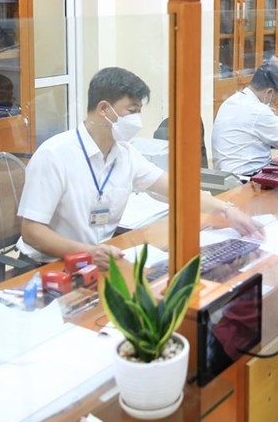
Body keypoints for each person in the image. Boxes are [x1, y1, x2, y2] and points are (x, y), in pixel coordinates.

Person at [17, 67, 261, 270]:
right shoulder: (54, 155)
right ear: (103, 109)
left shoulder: (125, 154)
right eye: (131, 111)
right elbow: (31, 231)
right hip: (50, 266)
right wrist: (89, 253)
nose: (137, 120)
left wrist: (227, 211)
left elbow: (177, 191)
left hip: (99, 262)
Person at [212, 61, 278, 175]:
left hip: (227, 175)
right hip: (247, 177)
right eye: (276, 98)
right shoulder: (259, 110)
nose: (276, 103)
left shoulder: (233, 101)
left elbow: (254, 122)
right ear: (269, 92)